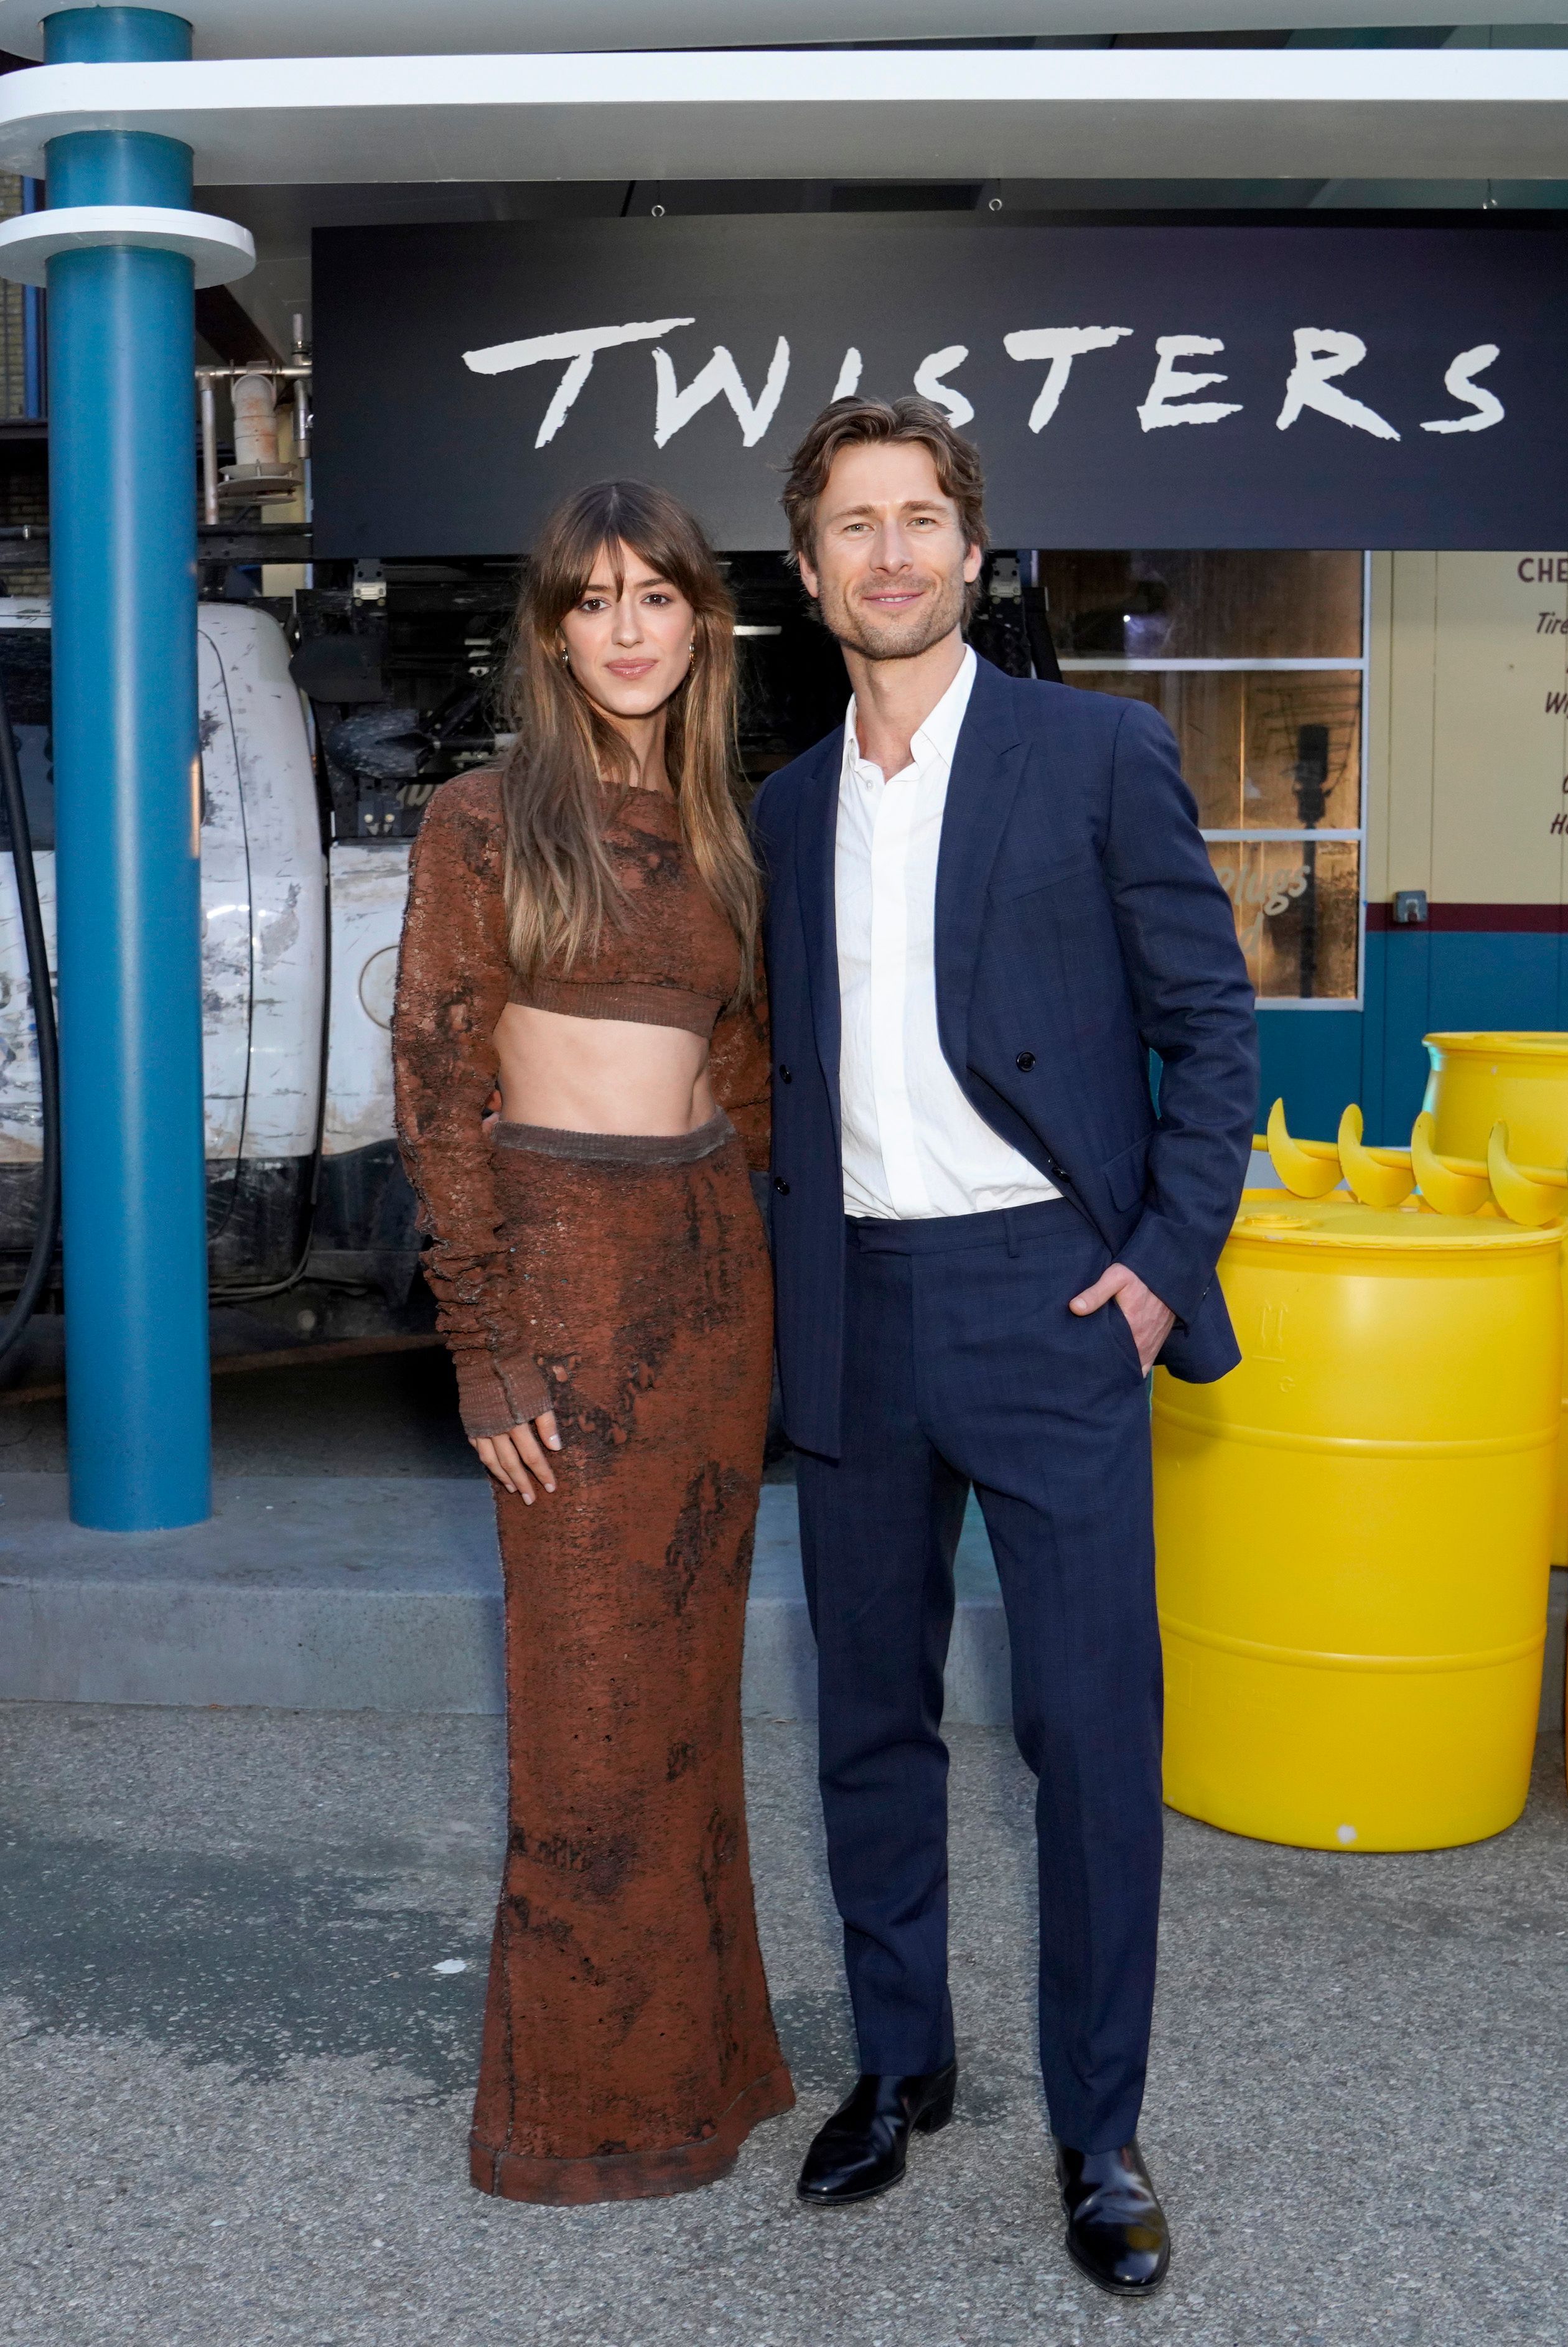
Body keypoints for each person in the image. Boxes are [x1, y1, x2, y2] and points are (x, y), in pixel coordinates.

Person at [752, 398, 1256, 2293]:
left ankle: (1099, 2127)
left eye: (918, 519)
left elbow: (1212, 1037)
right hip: (855, 1308)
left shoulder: (1097, 756)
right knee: (868, 1716)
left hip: (1053, 1300)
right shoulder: (785, 809)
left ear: (970, 549)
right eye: (850, 528)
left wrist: (1147, 1271)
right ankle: (901, 2067)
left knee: (1082, 1723)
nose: (887, 554)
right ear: (804, 578)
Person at [393, 480, 793, 2206]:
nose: (629, 626)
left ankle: (713, 2070)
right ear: (551, 631)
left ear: (702, 622)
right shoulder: (480, 821)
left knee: (692, 1708)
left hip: (708, 1294)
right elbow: (435, 1088)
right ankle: (575, 2116)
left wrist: (747, 1264)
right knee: (585, 1720)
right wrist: (484, 1342)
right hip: (558, 1288)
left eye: (660, 595)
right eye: (594, 599)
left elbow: (749, 1081)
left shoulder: (723, 827)